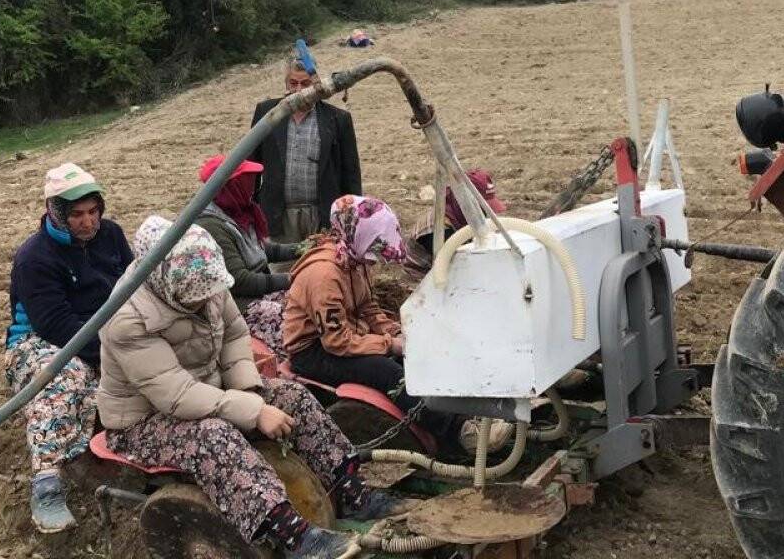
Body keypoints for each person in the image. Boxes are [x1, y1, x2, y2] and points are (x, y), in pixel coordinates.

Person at [98, 217, 411, 559]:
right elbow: (174, 395)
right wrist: (253, 410)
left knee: (292, 396)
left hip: (209, 392)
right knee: (213, 437)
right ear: (162, 282)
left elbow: (234, 334)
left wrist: (247, 389)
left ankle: (351, 492)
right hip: (144, 420)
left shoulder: (208, 286)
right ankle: (292, 535)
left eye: (208, 297)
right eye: (193, 302)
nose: (204, 304)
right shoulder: (126, 319)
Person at [283, 195, 512, 453]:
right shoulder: (323, 275)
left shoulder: (355, 260)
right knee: (387, 371)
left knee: (417, 356)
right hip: (314, 351)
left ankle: (467, 413)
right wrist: (390, 345)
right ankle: (458, 431)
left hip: (344, 337)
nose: (377, 258)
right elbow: (336, 341)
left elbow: (368, 308)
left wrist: (400, 334)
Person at [5, 162, 133, 533]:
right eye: (76, 214)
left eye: (93, 211)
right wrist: (117, 352)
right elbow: (57, 327)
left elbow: (133, 284)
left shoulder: (111, 237)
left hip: (101, 333)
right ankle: (46, 483)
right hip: (41, 343)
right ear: (55, 212)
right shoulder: (35, 257)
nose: (88, 222)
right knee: (67, 376)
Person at [251, 52, 362, 272]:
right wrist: (248, 209)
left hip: (321, 214)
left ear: (316, 84)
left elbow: (351, 174)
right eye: (293, 83)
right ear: (286, 83)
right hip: (278, 214)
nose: (299, 90)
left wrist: (352, 217)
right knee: (281, 276)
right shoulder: (267, 113)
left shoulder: (338, 119)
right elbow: (252, 164)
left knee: (322, 272)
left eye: (305, 84)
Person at [194, 154, 304, 355]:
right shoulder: (212, 226)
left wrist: (303, 249)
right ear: (232, 186)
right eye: (248, 182)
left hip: (259, 292)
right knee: (296, 323)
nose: (253, 187)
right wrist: (293, 279)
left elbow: (262, 250)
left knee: (307, 302)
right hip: (240, 304)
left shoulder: (239, 212)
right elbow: (240, 280)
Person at [403, 168, 507, 281]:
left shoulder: (462, 217)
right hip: (423, 281)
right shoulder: (438, 230)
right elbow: (457, 268)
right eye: (482, 208)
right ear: (463, 201)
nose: (485, 214)